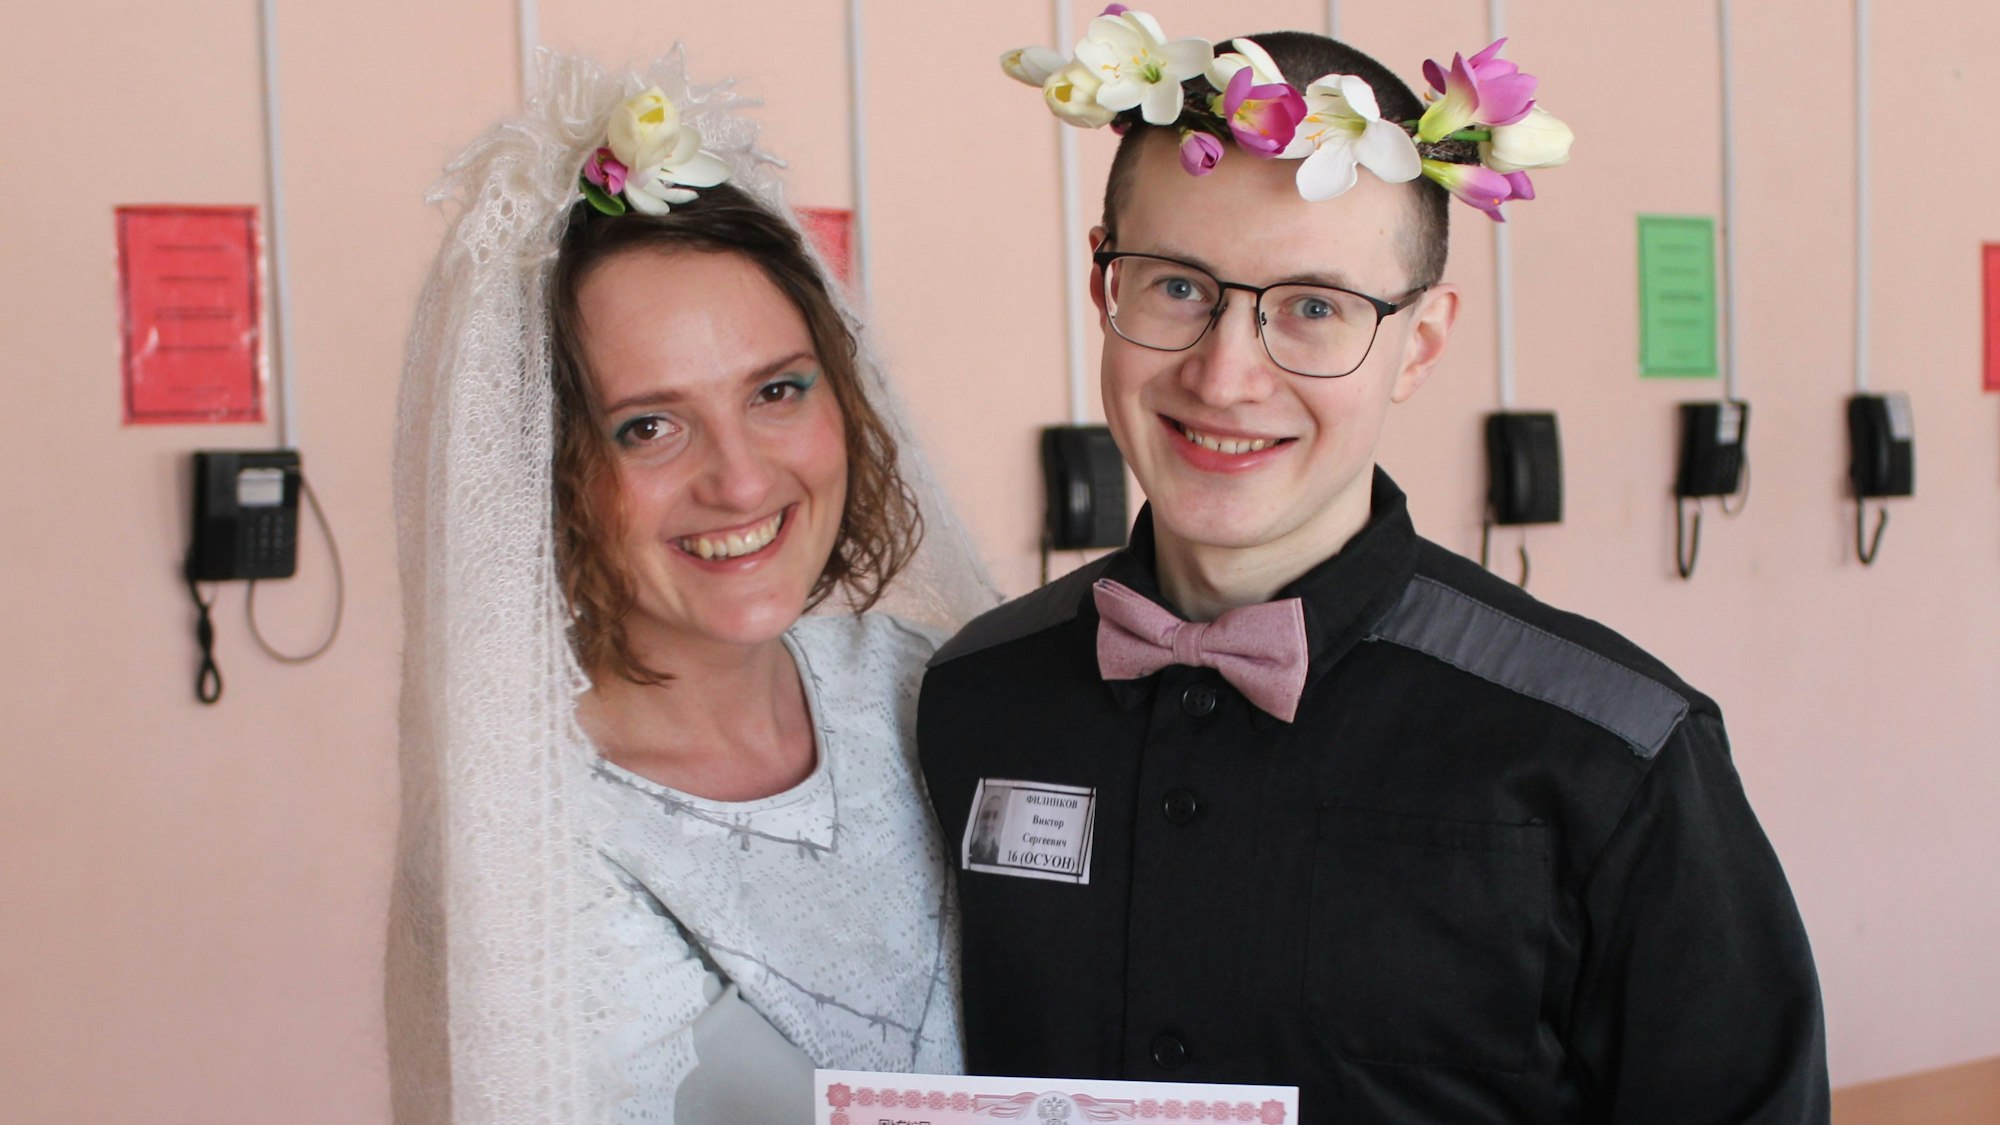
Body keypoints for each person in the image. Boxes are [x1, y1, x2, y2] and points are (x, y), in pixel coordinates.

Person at [921, 16, 1828, 1124]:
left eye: (1313, 308)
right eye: (1174, 286)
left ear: (1423, 343)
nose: (1223, 375)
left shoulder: (1615, 751)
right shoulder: (972, 697)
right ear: (1102, 280)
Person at [389, 51, 994, 1125]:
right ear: (543, 469)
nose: (741, 478)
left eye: (774, 389)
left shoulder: (925, 686)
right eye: (648, 427)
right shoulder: (530, 834)